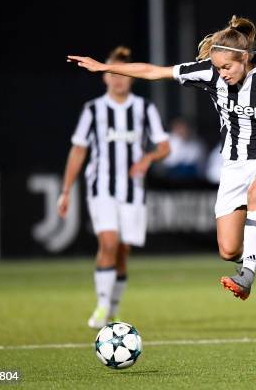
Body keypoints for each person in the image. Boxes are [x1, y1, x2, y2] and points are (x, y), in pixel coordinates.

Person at [68, 16, 256, 302]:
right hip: (233, 164)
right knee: (228, 250)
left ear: (245, 58)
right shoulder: (208, 73)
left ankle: (246, 274)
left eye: (227, 67)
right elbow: (155, 71)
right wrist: (104, 67)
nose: (222, 73)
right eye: (218, 67)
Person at [58, 46, 171, 329]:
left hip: (132, 190)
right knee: (107, 243)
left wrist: (148, 157)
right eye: (113, 73)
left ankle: (114, 309)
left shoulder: (144, 109)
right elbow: (78, 151)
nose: (118, 79)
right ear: (105, 76)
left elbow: (165, 147)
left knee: (122, 251)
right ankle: (102, 306)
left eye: (123, 73)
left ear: (130, 77)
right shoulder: (93, 110)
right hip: (101, 188)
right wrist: (66, 190)